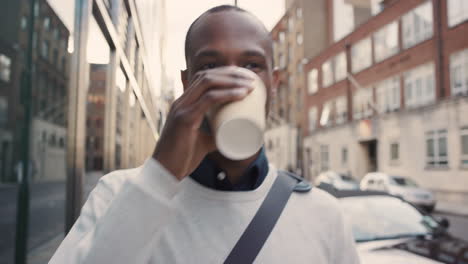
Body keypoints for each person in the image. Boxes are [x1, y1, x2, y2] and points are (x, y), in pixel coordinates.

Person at [50, 5, 359, 264]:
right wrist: (160, 174)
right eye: (210, 66)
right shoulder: (118, 194)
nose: (232, 82)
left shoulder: (322, 214)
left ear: (273, 84)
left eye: (252, 65)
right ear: (187, 83)